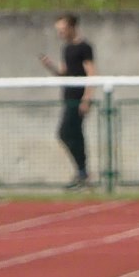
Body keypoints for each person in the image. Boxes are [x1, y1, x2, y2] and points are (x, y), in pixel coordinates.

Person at [39, 14, 96, 189]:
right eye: (59, 30)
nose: (61, 33)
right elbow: (64, 73)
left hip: (78, 99)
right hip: (68, 98)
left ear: (72, 27)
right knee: (70, 134)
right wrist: (50, 66)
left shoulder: (84, 47)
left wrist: (86, 99)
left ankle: (82, 172)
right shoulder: (66, 49)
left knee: (66, 133)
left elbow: (91, 74)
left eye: (63, 29)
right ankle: (82, 172)